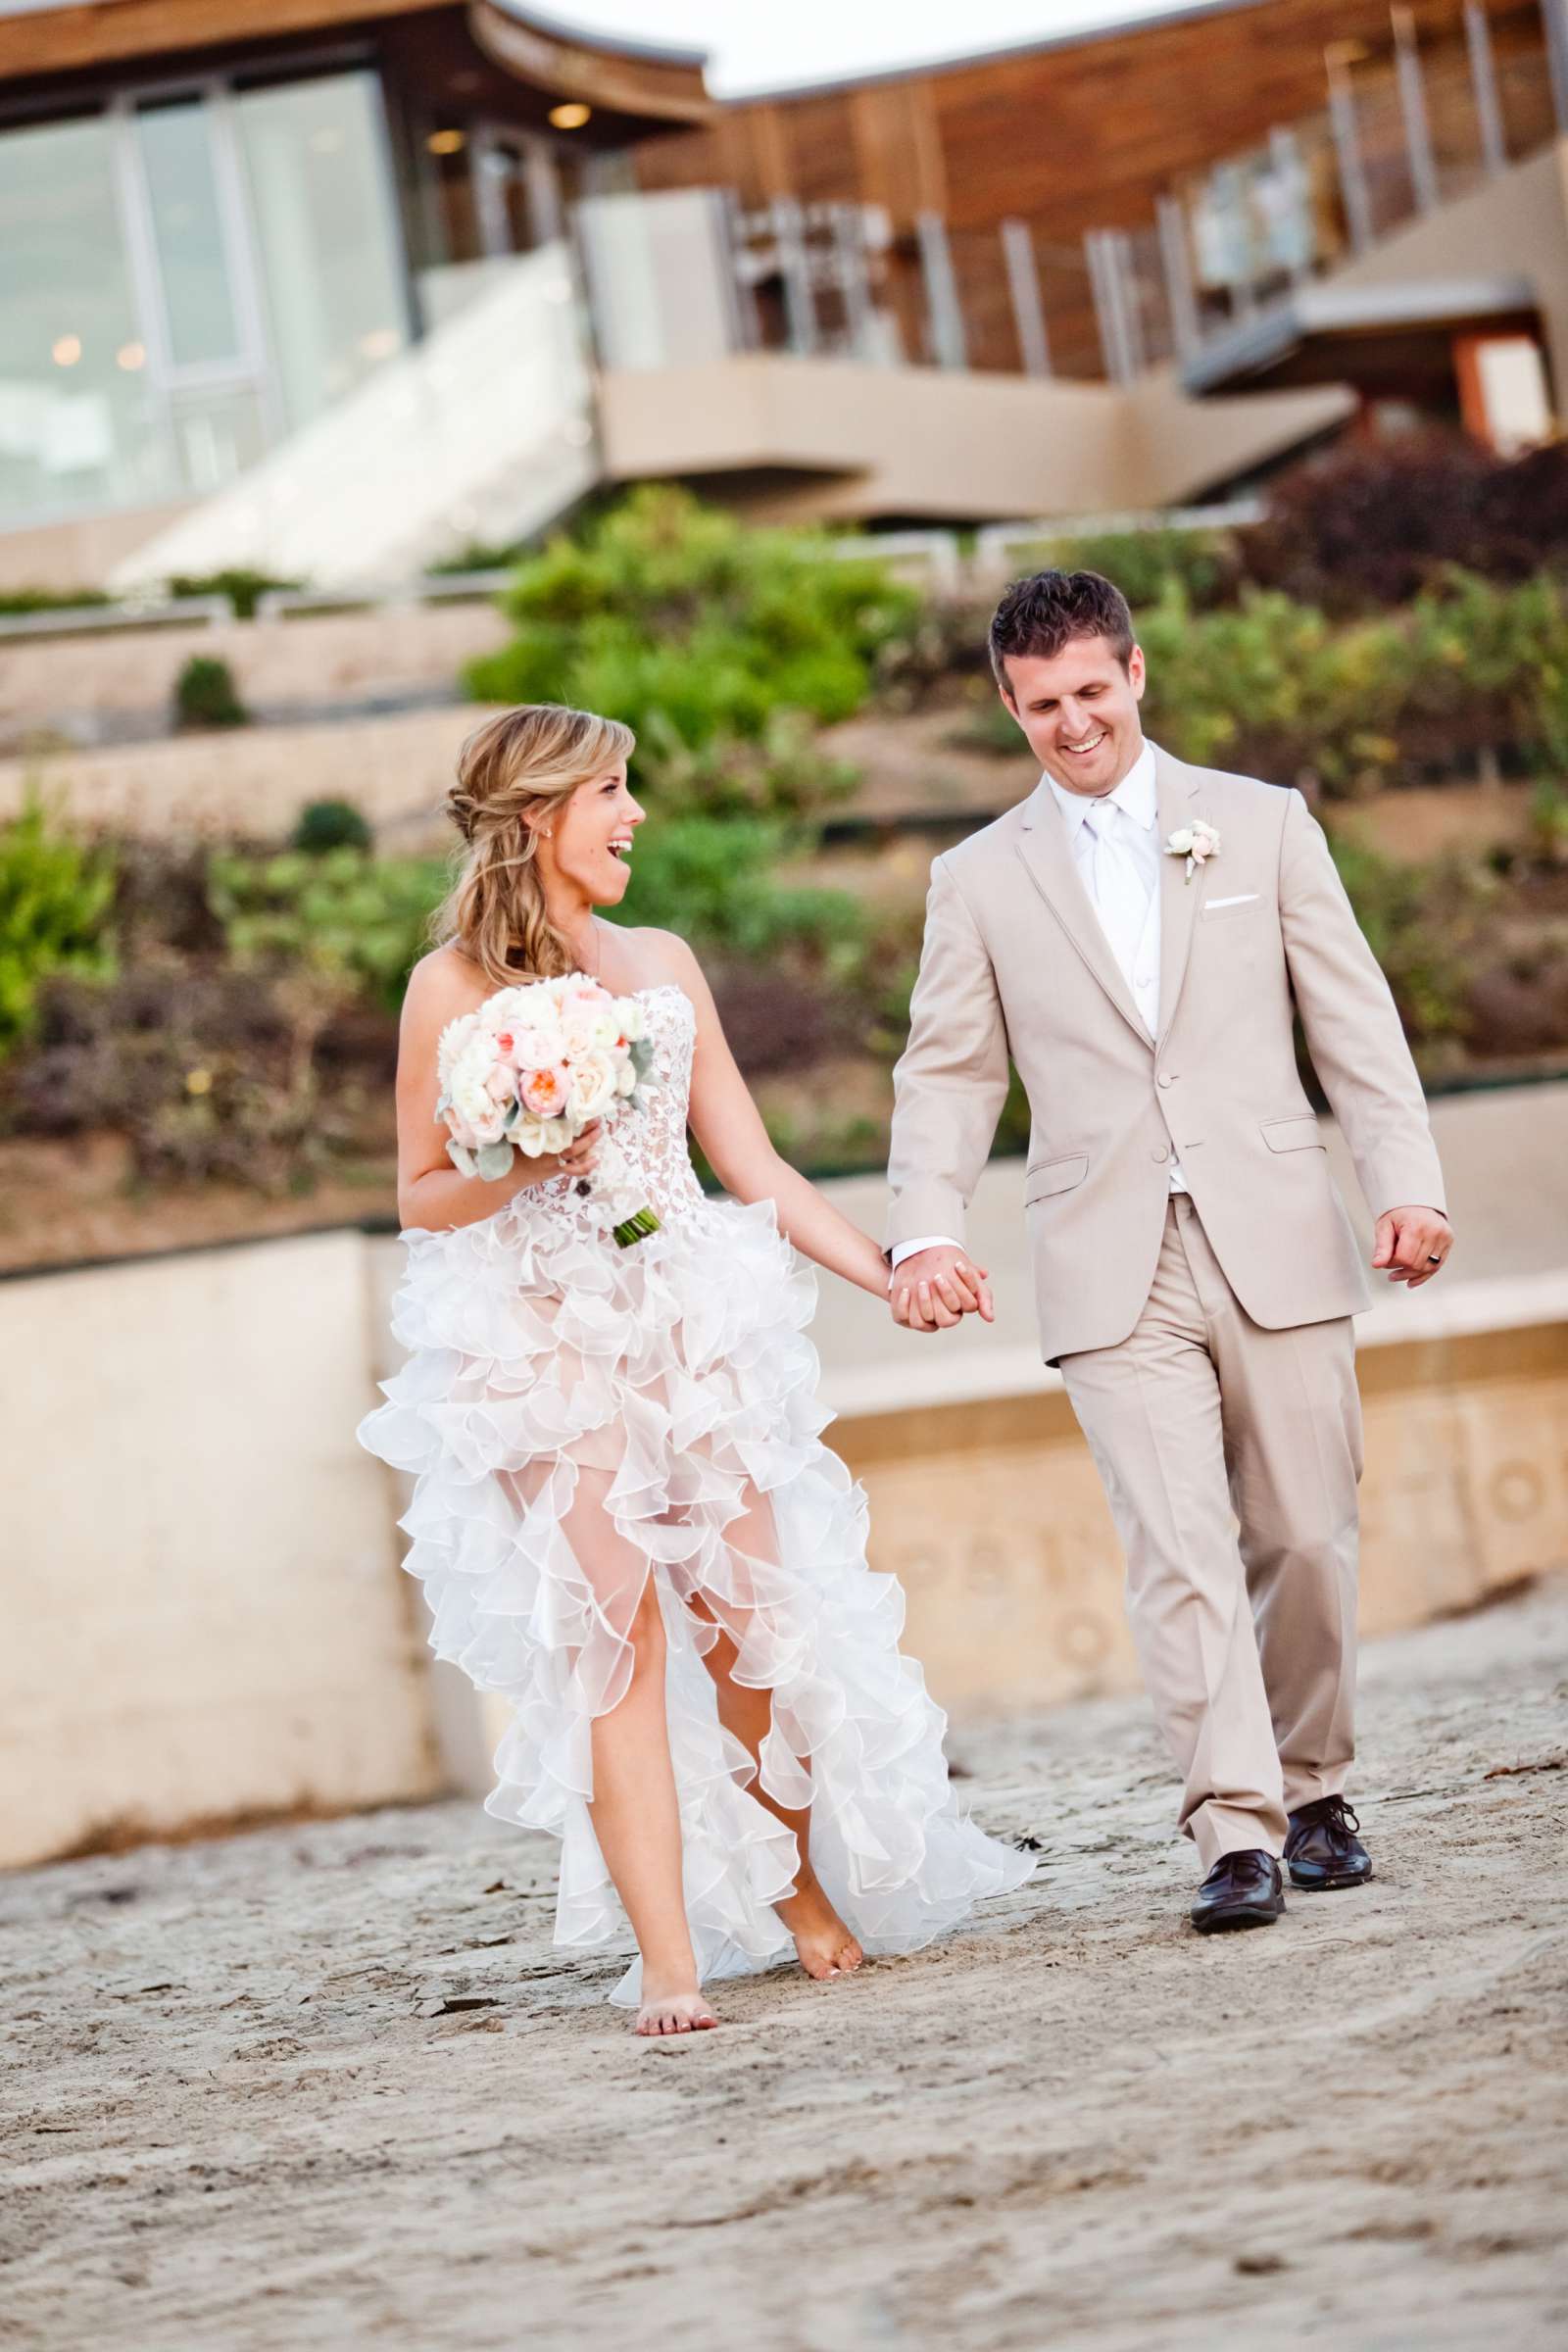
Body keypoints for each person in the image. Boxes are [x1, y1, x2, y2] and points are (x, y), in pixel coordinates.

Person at [358, 703, 1030, 2034]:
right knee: (615, 1639)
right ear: (540, 815)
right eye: (612, 791)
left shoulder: (661, 960)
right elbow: (421, 1193)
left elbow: (756, 1165)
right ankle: (670, 1963)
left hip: (690, 1320)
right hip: (542, 1336)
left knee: (751, 1631)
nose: (635, 814)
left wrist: (893, 1266)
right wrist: (520, 1162)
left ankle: (798, 1896)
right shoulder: (449, 988)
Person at [885, 569, 1451, 1935]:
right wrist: (925, 1231)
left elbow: (1353, 1022)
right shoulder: (975, 880)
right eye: (1041, 706)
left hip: (1276, 1229)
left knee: (1307, 1535)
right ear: (1008, 707)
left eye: (1091, 691)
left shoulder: (1261, 826)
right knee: (1180, 1549)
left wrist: (1408, 1184)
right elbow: (948, 1073)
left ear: (1135, 674)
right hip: (1105, 1255)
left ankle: (1314, 1787)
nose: (1072, 724)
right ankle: (1234, 1825)